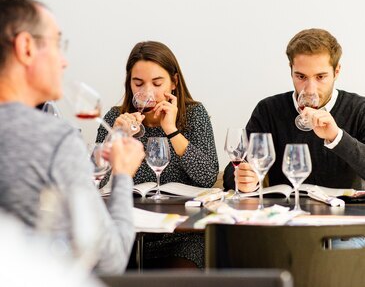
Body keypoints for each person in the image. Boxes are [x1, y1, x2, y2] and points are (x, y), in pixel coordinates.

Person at [0, 0, 145, 275]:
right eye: (57, 44)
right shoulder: (53, 138)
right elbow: (110, 259)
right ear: (26, 47)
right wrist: (124, 174)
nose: (64, 61)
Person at [96, 40, 219, 268]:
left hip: (181, 234)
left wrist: (171, 130)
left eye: (157, 83)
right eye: (138, 83)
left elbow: (207, 176)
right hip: (129, 232)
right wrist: (115, 137)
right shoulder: (116, 118)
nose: (147, 93)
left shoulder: (194, 114)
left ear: (174, 82)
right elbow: (95, 181)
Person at [224, 28, 365, 192]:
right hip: (285, 211)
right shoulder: (269, 110)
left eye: (320, 77)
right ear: (291, 70)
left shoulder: (359, 109)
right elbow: (233, 173)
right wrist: (245, 179)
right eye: (301, 77)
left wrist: (336, 137)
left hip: (344, 212)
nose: (310, 89)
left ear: (336, 72)